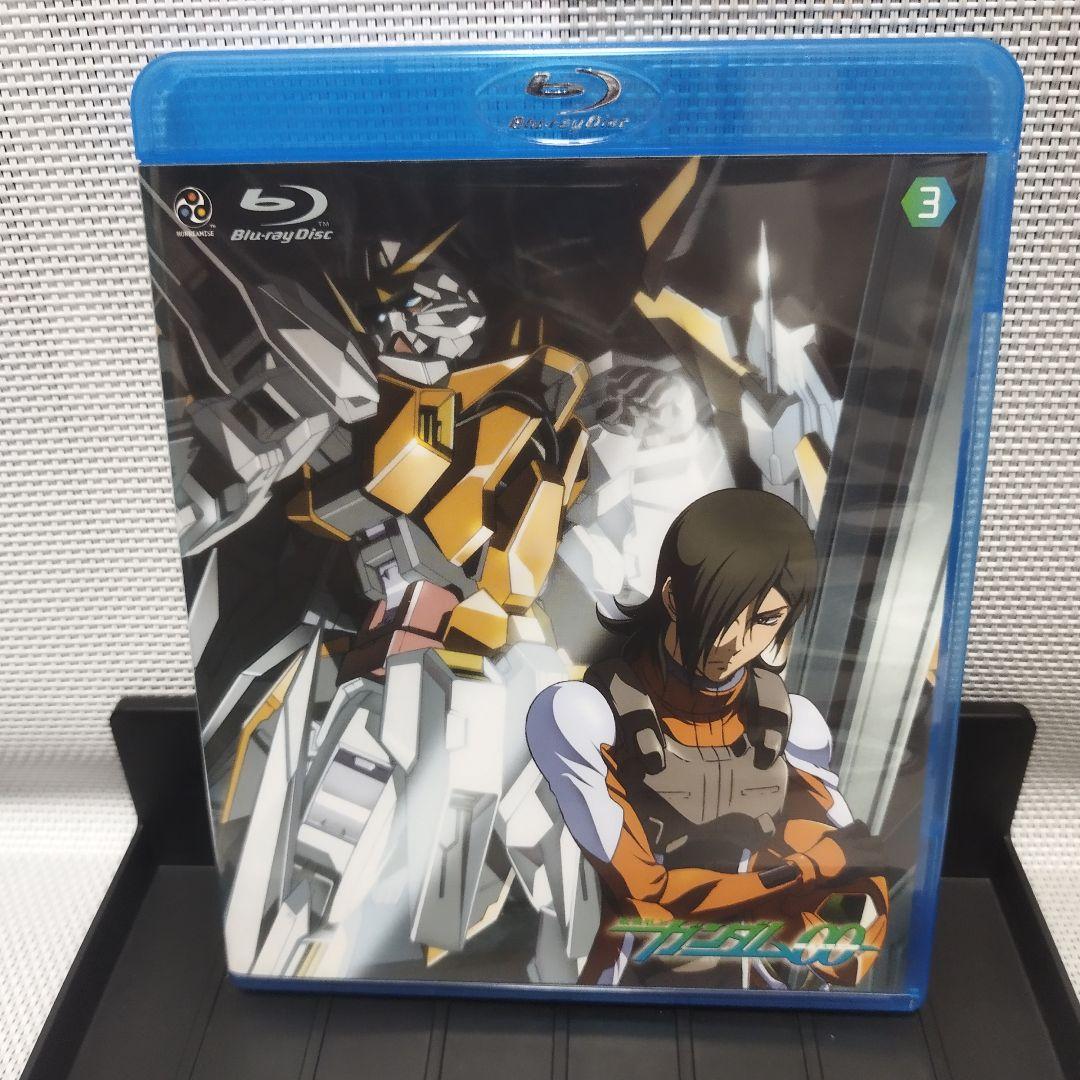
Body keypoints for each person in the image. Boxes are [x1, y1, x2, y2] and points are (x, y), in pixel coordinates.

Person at [526, 488, 888, 986]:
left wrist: (828, 918)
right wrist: (799, 872)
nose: (737, 643)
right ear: (674, 598)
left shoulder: (791, 722)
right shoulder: (584, 714)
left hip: (754, 986)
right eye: (723, 615)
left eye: (765, 620)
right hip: (631, 980)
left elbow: (853, 873)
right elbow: (645, 893)